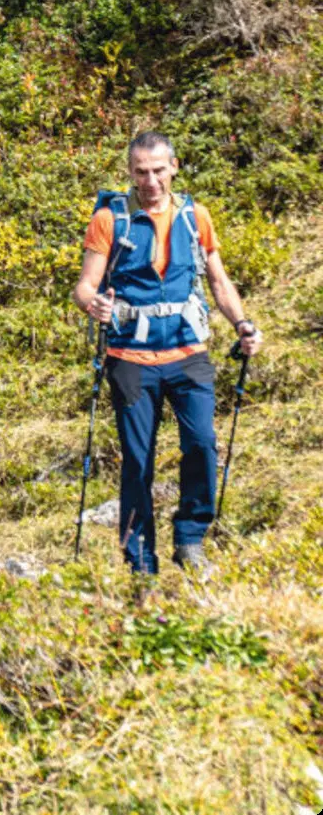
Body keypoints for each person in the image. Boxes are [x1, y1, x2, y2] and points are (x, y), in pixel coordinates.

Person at [73, 131, 263, 576]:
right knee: (138, 461)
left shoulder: (196, 216)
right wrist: (93, 303)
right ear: (130, 172)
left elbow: (218, 281)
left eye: (159, 170)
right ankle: (141, 562)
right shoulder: (109, 219)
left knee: (202, 444)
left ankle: (190, 540)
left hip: (188, 353)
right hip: (130, 357)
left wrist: (243, 324)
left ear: (174, 167)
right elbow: (85, 285)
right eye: (141, 172)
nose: (151, 181)